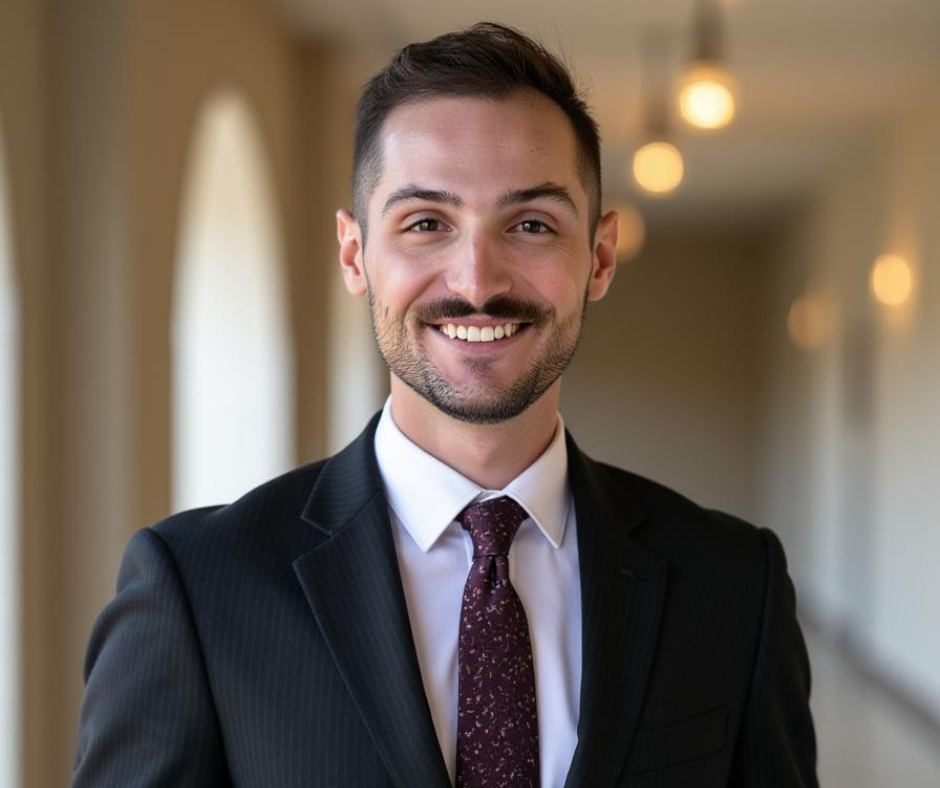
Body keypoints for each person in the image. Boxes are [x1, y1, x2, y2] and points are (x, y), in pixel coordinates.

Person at [71, 22, 817, 788]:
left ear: (598, 256)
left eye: (530, 225)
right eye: (426, 223)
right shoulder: (199, 591)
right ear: (355, 254)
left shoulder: (733, 587)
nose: (476, 278)